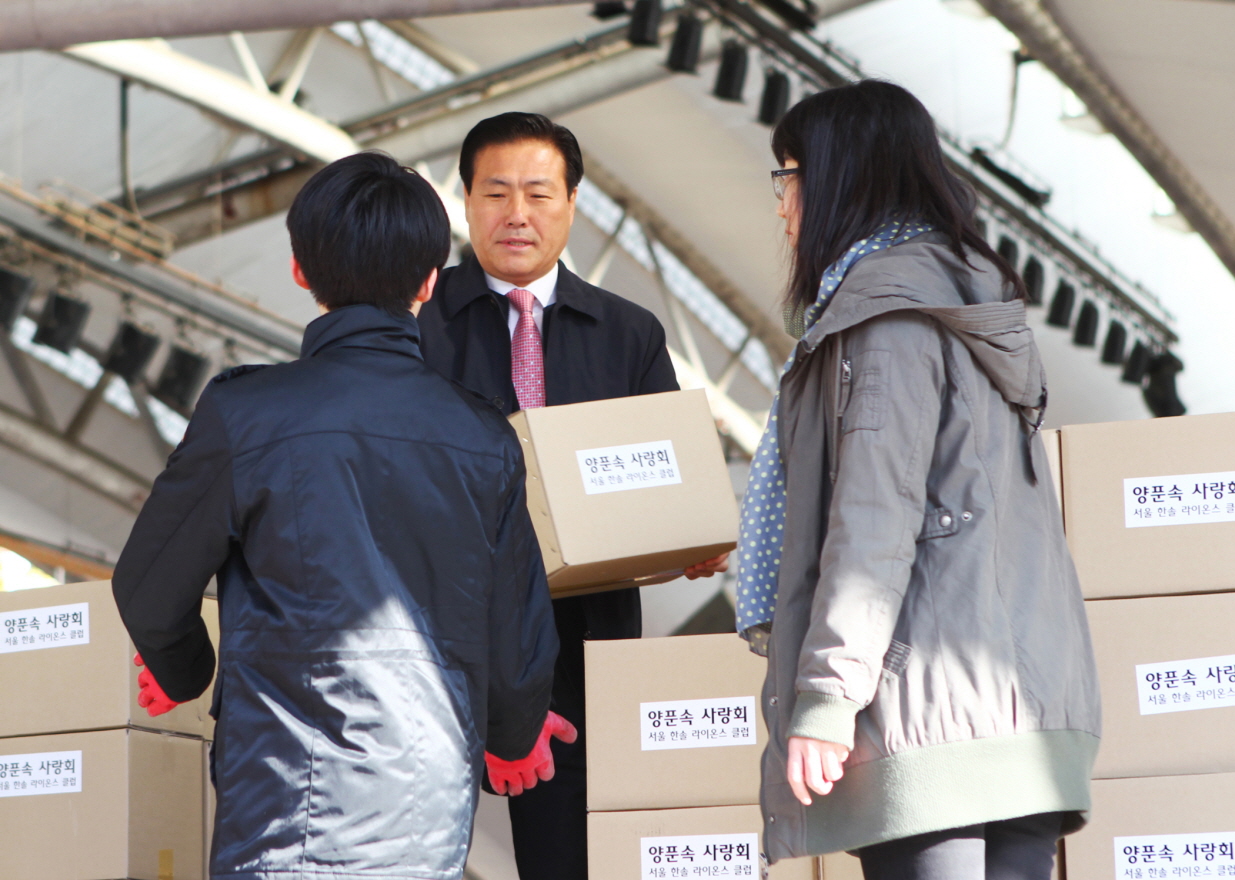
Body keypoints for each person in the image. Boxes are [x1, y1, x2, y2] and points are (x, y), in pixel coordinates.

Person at [111, 152, 566, 880]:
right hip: (428, 815)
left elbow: (146, 585)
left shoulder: (246, 414)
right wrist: (511, 741)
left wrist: (184, 668)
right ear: (427, 283)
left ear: (300, 270)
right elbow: (517, 641)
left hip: (280, 807)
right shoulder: (484, 437)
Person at [738, 81, 1101, 880]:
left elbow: (873, 523)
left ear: (840, 179)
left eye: (789, 176)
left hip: (926, 717)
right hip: (1022, 712)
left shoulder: (887, 321)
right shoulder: (965, 305)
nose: (782, 207)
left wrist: (827, 701)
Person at [417, 111, 728, 880]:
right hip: (443, 647)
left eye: (537, 193)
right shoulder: (417, 329)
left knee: (572, 861)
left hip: (583, 654)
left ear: (573, 202)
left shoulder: (628, 334)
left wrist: (686, 540)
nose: (516, 214)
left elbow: (670, 481)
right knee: (411, 850)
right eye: (495, 193)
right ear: (464, 201)